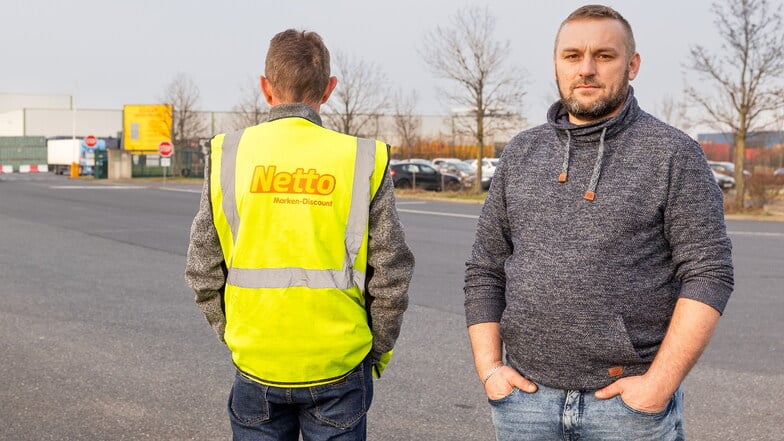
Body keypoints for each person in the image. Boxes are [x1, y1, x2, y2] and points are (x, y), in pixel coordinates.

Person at [464, 5, 733, 440]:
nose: (586, 69)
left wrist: (658, 387)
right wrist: (490, 369)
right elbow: (485, 269)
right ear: (556, 64)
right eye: (572, 56)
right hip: (524, 403)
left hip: (627, 409)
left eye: (604, 56)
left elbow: (708, 274)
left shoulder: (673, 154)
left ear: (633, 65)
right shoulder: (520, 154)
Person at [185, 29, 414, 441]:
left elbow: (202, 267)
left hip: (257, 362)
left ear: (264, 88)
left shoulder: (228, 154)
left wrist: (235, 336)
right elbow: (392, 273)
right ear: (329, 89)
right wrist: (374, 351)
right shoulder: (361, 158)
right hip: (340, 364)